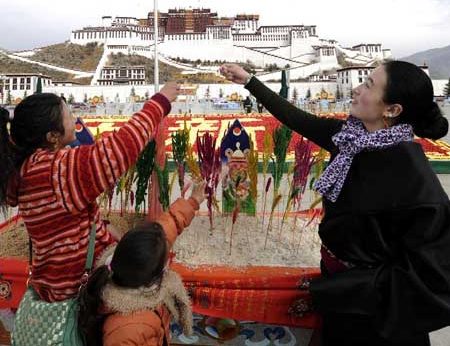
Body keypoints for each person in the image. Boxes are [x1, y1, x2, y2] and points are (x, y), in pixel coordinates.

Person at [220, 61, 450, 346]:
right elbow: (295, 116)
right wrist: (248, 81)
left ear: (392, 110)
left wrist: (338, 288)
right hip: (339, 301)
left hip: (377, 320)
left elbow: (428, 280)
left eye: (368, 85)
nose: (355, 89)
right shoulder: (348, 139)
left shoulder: (417, 186)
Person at [0, 83, 179, 303]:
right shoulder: (55, 170)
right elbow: (121, 147)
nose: (75, 119)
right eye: (69, 115)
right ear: (52, 136)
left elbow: (63, 222)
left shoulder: (29, 168)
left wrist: (101, 227)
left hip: (55, 282)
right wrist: (160, 102)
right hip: (78, 290)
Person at [78, 182, 206, 346]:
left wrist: (193, 201)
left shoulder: (126, 263)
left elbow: (168, 226)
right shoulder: (126, 329)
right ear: (155, 275)